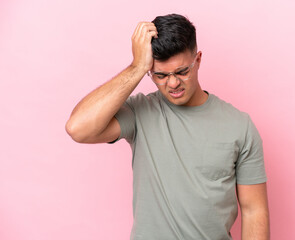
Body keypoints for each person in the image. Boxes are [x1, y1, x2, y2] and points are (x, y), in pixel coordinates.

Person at [66, 13, 270, 240]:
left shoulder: (239, 126)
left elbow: (254, 210)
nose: (173, 83)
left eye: (182, 71)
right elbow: (78, 128)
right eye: (160, 75)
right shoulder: (139, 112)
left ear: (198, 60)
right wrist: (136, 67)